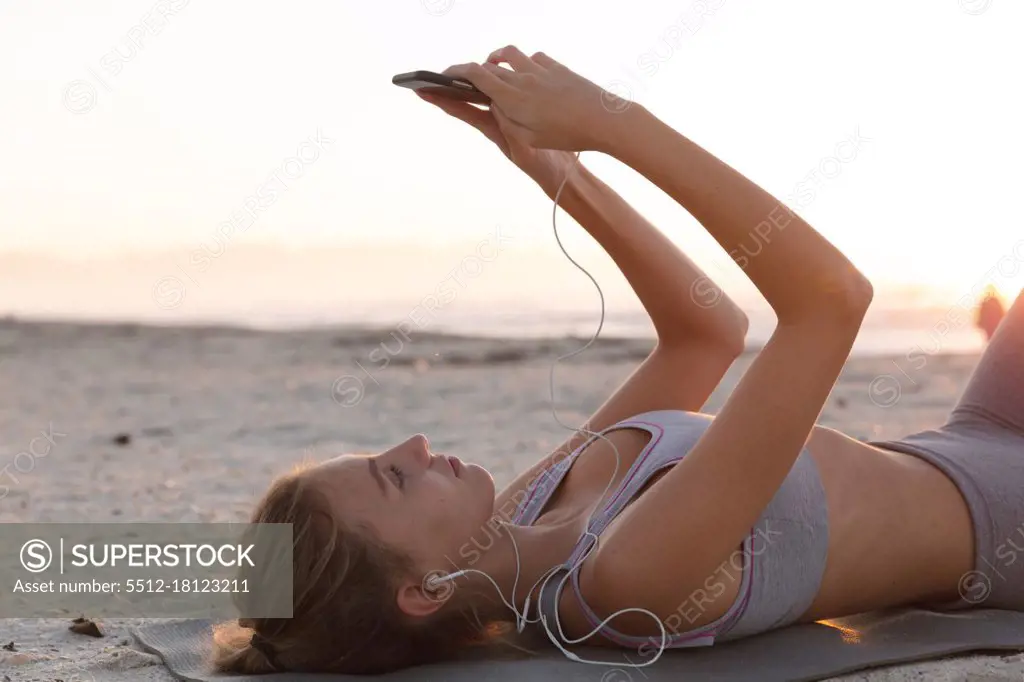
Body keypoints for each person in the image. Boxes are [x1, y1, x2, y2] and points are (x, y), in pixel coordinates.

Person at [212, 47, 1024, 674]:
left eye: (385, 454)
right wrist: (613, 122)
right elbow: (830, 300)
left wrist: (551, 167)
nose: (416, 446)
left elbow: (707, 331)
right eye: (394, 477)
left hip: (978, 432)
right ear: (425, 589)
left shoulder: (535, 505)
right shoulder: (626, 581)